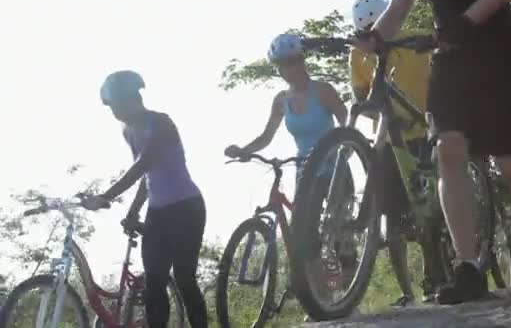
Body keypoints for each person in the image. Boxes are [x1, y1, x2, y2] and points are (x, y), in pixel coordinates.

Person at [355, 0, 511, 305]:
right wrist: (375, 37)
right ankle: (467, 269)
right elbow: (398, 6)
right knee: (448, 150)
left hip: (498, 54)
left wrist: (463, 23)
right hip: (449, 58)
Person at [224, 33, 356, 319]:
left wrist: (344, 149)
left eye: (294, 60)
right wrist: (244, 150)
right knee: (303, 239)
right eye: (283, 64)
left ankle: (347, 297)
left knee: (340, 235)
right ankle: (321, 300)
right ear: (278, 68)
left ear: (302, 60)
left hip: (333, 170)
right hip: (305, 173)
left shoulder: (322, 90)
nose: (290, 68)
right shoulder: (280, 101)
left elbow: (348, 120)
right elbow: (267, 135)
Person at [82, 70, 208, 327]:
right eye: (111, 108)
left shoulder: (161, 123)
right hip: (158, 211)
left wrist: (105, 196)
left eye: (117, 105)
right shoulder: (127, 130)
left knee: (184, 278)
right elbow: (146, 177)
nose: (115, 113)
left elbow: (144, 163)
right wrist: (134, 210)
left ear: (133, 98)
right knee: (154, 283)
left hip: (186, 207)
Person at [349, 0, 446, 306]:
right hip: (389, 140)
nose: (369, 39)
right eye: (365, 33)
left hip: (423, 134)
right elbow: (362, 98)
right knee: (395, 219)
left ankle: (434, 280)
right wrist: (386, 117)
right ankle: (409, 290)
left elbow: (435, 84)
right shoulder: (358, 55)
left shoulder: (410, 42)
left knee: (428, 213)